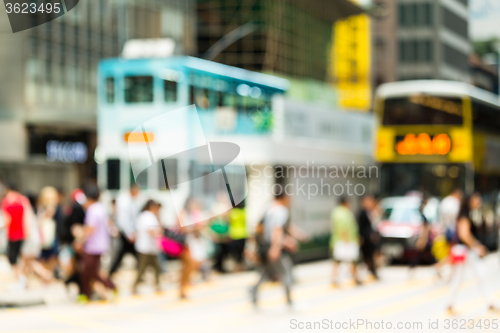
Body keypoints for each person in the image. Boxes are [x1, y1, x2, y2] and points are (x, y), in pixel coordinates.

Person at [448, 193, 496, 313]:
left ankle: (489, 301)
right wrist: (477, 246)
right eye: (476, 199)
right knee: (462, 277)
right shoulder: (464, 215)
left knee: (477, 275)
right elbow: (464, 234)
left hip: (467, 251)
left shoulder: (471, 214)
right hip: (465, 251)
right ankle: (450, 303)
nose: (479, 201)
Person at [250, 191, 294, 307]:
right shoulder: (281, 211)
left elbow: (259, 227)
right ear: (284, 198)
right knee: (286, 272)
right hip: (273, 247)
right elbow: (277, 230)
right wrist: (276, 248)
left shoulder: (268, 207)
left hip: (264, 246)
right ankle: (290, 300)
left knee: (265, 274)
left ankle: (253, 292)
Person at [80, 185, 117, 303]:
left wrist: (80, 239)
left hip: (93, 246)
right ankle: (88, 294)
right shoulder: (101, 208)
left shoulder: (92, 210)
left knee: (87, 272)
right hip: (101, 244)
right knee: (91, 271)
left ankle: (88, 294)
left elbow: (90, 229)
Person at [109, 184, 140, 276]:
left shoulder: (130, 200)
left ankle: (111, 272)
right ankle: (111, 272)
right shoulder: (124, 201)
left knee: (126, 254)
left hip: (129, 232)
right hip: (125, 232)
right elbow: (124, 219)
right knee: (120, 254)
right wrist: (129, 233)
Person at [1, 182, 29, 285]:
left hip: (12, 234)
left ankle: (18, 279)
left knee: (12, 258)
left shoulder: (7, 202)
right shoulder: (22, 200)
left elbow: (7, 219)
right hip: (22, 233)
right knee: (19, 257)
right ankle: (21, 278)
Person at [133, 200, 163, 294]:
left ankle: (157, 285)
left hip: (150, 247)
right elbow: (151, 230)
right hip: (145, 247)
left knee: (156, 267)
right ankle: (134, 286)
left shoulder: (150, 216)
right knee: (142, 268)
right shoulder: (147, 216)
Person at [330, 197, 361, 286]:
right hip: (344, 241)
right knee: (343, 260)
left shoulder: (338, 211)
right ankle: (335, 278)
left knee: (340, 261)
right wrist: (346, 240)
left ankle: (354, 276)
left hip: (342, 240)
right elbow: (342, 227)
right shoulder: (342, 212)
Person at [357, 194, 379, 280]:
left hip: (371, 240)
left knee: (372, 256)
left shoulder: (372, 212)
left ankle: (373, 271)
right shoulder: (362, 213)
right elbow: (360, 227)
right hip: (365, 239)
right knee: (364, 257)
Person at [228, 201, 247, 272]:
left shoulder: (232, 213)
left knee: (234, 252)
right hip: (243, 234)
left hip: (234, 235)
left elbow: (228, 222)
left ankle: (237, 266)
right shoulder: (243, 212)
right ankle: (241, 266)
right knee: (241, 252)